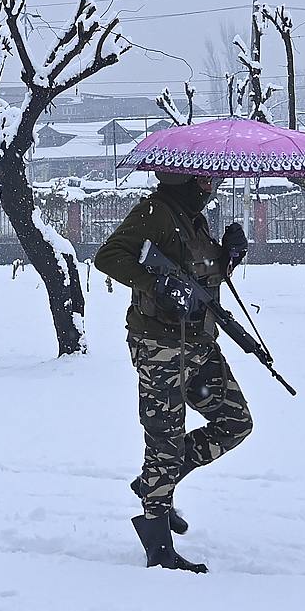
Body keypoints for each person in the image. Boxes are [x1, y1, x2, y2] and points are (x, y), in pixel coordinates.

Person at [93, 171, 252, 574]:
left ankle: (154, 483)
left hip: (199, 342)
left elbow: (198, 279)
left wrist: (228, 257)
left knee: (235, 423)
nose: (209, 187)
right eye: (201, 181)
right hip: (160, 346)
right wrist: (155, 285)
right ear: (180, 178)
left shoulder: (193, 218)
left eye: (211, 181)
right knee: (164, 441)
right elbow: (109, 256)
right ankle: (158, 544)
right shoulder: (154, 212)